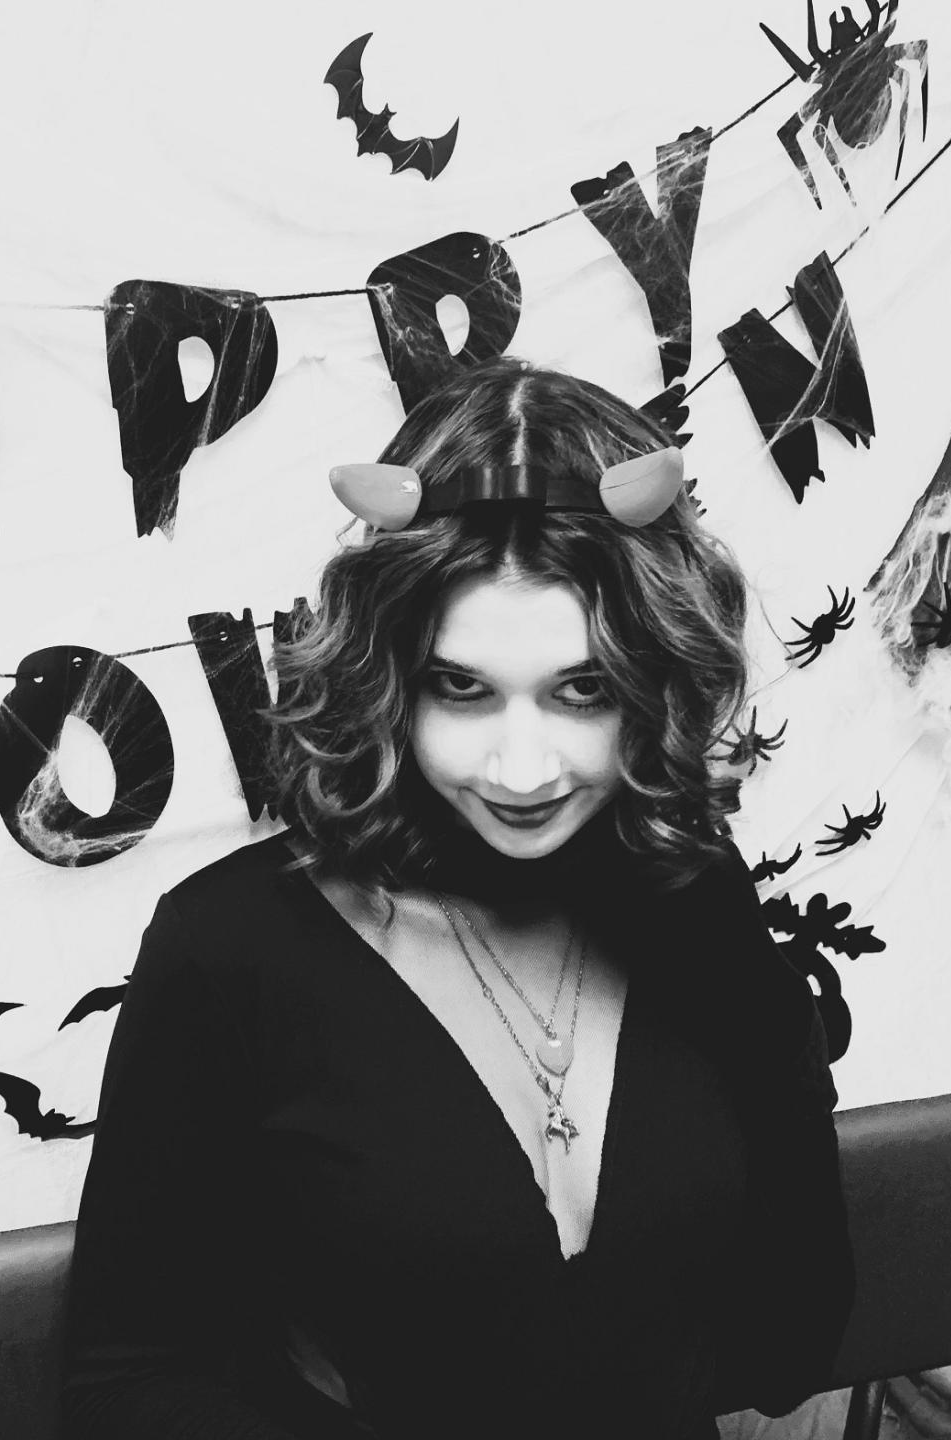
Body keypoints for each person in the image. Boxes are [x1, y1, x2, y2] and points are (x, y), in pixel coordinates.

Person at [60, 357, 855, 1439]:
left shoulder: (692, 891)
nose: (522, 771)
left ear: (655, 681)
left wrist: (771, 1041)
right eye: (462, 687)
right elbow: (127, 1377)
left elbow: (791, 1344)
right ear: (388, 677)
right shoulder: (231, 945)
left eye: (583, 689)